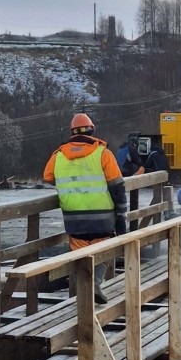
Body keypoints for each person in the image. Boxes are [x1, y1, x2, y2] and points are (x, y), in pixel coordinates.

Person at [43, 113, 128, 304]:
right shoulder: (103, 153)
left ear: (71, 133)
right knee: (102, 250)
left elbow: (48, 177)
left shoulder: (58, 155)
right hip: (102, 217)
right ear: (92, 130)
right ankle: (95, 285)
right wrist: (122, 213)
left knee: (79, 252)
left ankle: (81, 295)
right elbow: (117, 186)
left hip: (73, 217)